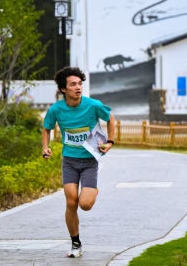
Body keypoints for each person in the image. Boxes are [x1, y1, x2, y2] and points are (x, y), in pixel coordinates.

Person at [41, 67, 115, 258]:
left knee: (85, 204)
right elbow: (46, 128)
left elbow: (111, 119)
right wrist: (45, 147)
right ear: (63, 89)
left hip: (90, 161)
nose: (78, 87)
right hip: (69, 161)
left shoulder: (93, 105)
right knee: (71, 201)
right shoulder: (56, 109)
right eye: (73, 84)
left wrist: (110, 141)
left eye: (80, 84)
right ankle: (75, 244)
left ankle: (93, 191)